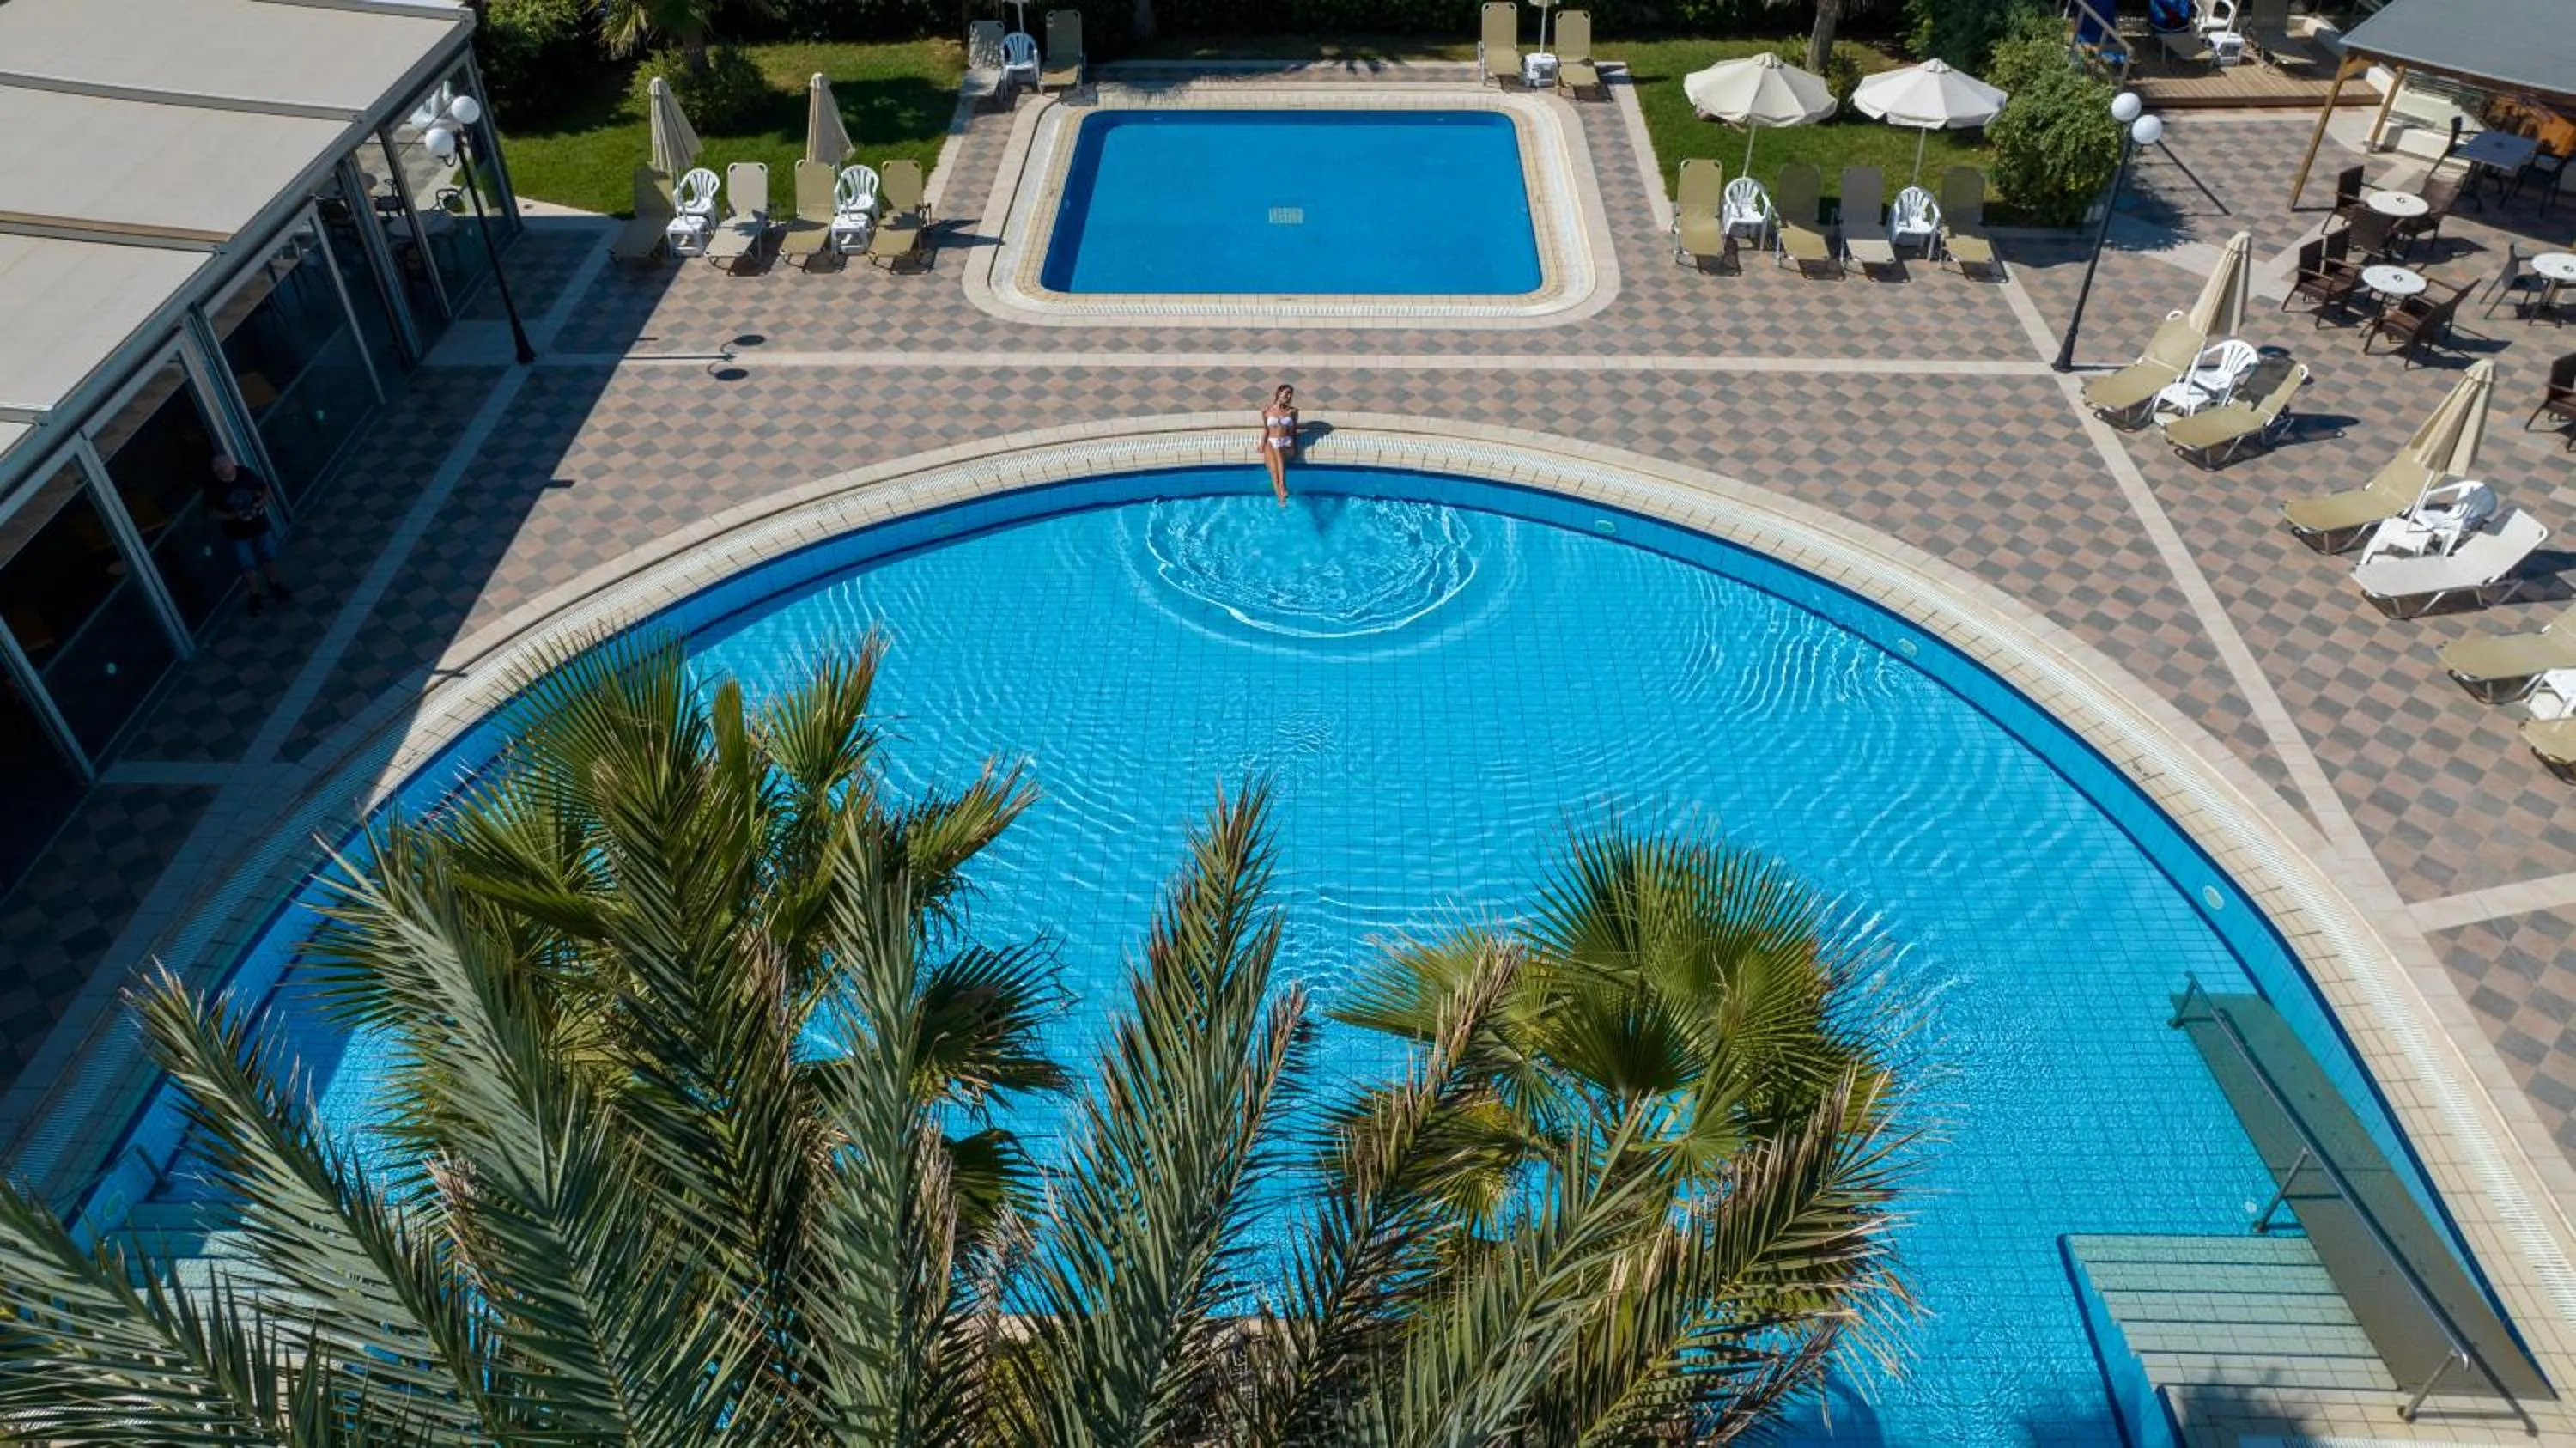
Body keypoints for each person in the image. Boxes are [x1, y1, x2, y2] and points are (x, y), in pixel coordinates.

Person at [204, 454, 291, 616]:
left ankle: (275, 585)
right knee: (247, 565)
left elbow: (265, 488)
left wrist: (259, 504)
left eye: (226, 467)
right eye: (220, 469)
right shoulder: (213, 488)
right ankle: (255, 595)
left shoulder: (244, 473)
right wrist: (234, 516)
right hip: (237, 534)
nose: (224, 471)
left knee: (268, 556)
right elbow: (212, 512)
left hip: (259, 526)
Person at [1259, 384, 1299, 506]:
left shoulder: (1292, 412)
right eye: (1286, 393)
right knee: (1273, 470)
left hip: (1286, 443)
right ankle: (1280, 497)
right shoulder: (1266, 411)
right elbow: (1266, 430)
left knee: (1277, 448)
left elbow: (1293, 431)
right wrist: (1262, 444)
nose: (1288, 396)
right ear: (1278, 393)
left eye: (1290, 394)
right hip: (1272, 443)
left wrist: (1294, 445)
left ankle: (1282, 485)